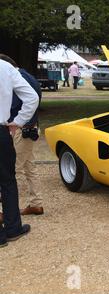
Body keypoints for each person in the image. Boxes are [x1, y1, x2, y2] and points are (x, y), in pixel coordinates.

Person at [0, 58, 39, 248]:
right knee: (8, 180)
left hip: (10, 127)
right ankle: (13, 227)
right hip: (4, 130)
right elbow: (33, 97)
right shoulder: (8, 68)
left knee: (10, 175)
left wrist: (19, 120)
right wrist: (21, 120)